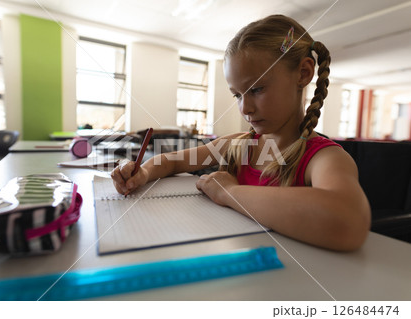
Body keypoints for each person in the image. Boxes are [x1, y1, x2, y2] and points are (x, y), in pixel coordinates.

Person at [111, 15, 371, 251]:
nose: (244, 107)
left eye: (257, 89)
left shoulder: (323, 158)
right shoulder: (239, 145)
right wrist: (142, 172)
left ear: (303, 74)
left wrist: (229, 193)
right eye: (237, 94)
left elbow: (349, 220)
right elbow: (172, 161)